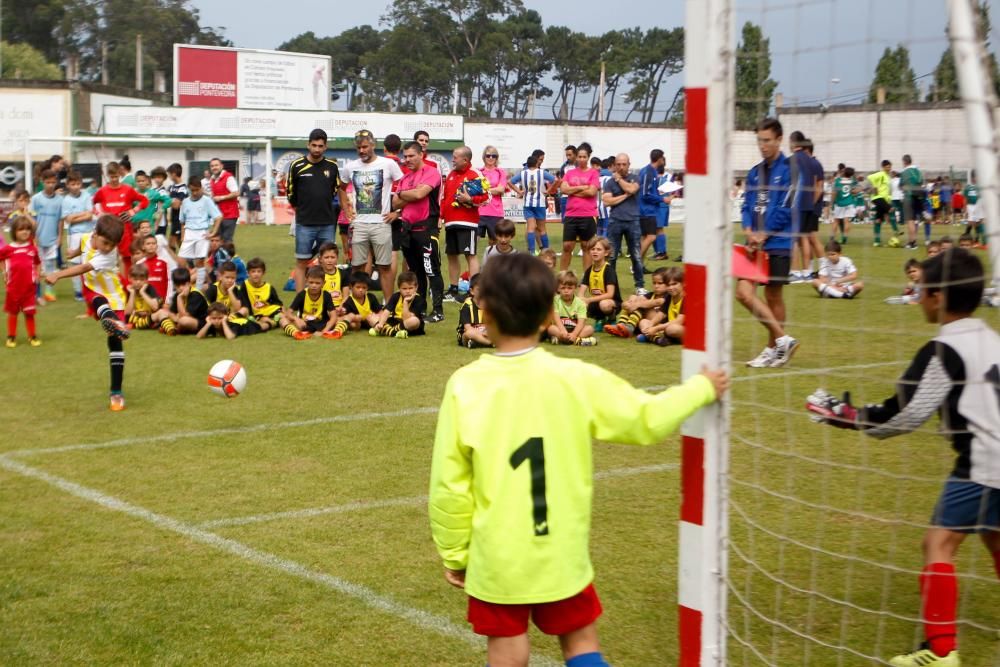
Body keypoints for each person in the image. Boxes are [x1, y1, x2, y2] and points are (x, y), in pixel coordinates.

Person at [428, 252, 729, 667]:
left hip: (497, 556)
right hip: (561, 553)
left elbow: (449, 483)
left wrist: (456, 554)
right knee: (581, 644)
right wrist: (700, 388)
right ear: (550, 313)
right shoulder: (576, 378)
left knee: (507, 651)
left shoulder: (465, 385)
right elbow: (647, 418)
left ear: (485, 310)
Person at [806, 248, 999, 667]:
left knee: (938, 544)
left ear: (938, 297)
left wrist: (847, 417)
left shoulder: (942, 349)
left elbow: (905, 415)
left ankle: (942, 652)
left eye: (922, 288)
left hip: (984, 461)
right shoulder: (990, 338)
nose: (916, 293)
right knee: (993, 532)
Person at [44, 215, 131, 410]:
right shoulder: (85, 237)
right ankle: (110, 319)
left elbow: (84, 267)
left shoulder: (108, 254)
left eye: (112, 245)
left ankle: (116, 392)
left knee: (114, 342)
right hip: (93, 290)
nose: (108, 247)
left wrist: (58, 274)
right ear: (95, 234)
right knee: (98, 302)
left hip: (113, 294)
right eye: (105, 243)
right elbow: (80, 250)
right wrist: (70, 254)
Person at [738, 117, 799, 369]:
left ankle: (774, 349)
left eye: (767, 141)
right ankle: (783, 339)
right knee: (743, 293)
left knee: (773, 294)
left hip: (779, 243)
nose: (762, 146)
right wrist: (749, 229)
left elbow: (787, 207)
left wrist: (765, 234)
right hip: (753, 244)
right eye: (759, 141)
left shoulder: (791, 170)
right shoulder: (754, 172)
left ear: (778, 140)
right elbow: (746, 205)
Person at [287, 129, 352, 292]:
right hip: (304, 223)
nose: (317, 149)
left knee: (328, 263)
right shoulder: (297, 166)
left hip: (327, 224)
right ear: (308, 145)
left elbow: (336, 191)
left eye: (320, 146)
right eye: (314, 145)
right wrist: (303, 209)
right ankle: (301, 304)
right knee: (302, 262)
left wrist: (347, 209)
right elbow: (290, 193)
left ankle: (328, 302)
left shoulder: (332, 167)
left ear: (326, 147)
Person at [343, 129, 404, 299]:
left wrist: (397, 212)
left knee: (384, 266)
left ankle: (388, 305)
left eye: (365, 147)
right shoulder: (350, 167)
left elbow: (405, 187)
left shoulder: (388, 164)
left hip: (381, 223)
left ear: (373, 145)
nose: (361, 150)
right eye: (358, 148)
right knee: (357, 266)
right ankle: (355, 305)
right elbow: (341, 188)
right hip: (359, 224)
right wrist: (346, 208)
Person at [391, 141, 442, 306]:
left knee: (431, 271)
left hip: (426, 230)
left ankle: (437, 310)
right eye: (405, 156)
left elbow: (420, 194)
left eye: (411, 155)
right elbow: (395, 203)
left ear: (421, 154)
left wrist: (402, 193)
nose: (408, 159)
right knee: (416, 272)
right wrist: (407, 194)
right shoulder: (405, 177)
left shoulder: (431, 172)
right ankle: (420, 307)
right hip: (407, 231)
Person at [442, 145, 490, 301]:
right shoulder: (450, 175)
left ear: (465, 159)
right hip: (450, 222)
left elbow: (487, 197)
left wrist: (470, 200)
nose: (453, 160)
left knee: (470, 255)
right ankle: (453, 289)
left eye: (455, 157)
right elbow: (445, 198)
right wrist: (441, 217)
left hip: (467, 222)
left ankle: (473, 290)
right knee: (451, 255)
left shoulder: (475, 174)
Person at [92, 161, 148, 279]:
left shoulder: (127, 190)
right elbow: (92, 203)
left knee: (126, 259)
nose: (114, 179)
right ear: (107, 175)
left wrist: (133, 211)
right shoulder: (102, 191)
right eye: (111, 177)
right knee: (106, 258)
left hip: (125, 231)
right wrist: (100, 213)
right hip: (108, 232)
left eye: (116, 176)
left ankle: (126, 285)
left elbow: (144, 201)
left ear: (120, 174)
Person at [602, 153, 645, 296]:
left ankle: (639, 285)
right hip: (615, 220)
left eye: (623, 164)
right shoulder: (609, 182)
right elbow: (607, 201)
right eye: (618, 164)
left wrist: (619, 180)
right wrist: (625, 196)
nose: (621, 167)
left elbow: (632, 189)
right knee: (612, 256)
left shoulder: (636, 177)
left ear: (629, 164)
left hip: (633, 220)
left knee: (636, 255)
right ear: (615, 165)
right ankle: (611, 286)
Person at [1, 217, 42, 347]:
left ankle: (32, 336)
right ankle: (11, 337)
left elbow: (37, 262)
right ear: (14, 231)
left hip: (29, 288)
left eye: (27, 229)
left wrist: (37, 274)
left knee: (29, 313)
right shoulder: (8, 249)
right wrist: (4, 272)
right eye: (21, 229)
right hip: (13, 287)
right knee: (13, 312)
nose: (25, 232)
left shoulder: (32, 249)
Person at [559, 143, 600, 272]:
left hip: (588, 214)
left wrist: (572, 191)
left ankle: (586, 279)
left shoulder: (593, 173)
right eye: (580, 157)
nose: (582, 159)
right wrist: (582, 187)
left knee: (586, 246)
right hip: (571, 214)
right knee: (567, 246)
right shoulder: (570, 173)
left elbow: (592, 192)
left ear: (588, 157)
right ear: (576, 157)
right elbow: (563, 189)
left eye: (584, 157)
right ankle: (563, 275)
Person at [179, 176, 222, 289]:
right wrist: (183, 235)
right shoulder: (185, 202)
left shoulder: (207, 201)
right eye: (192, 190)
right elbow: (182, 221)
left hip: (202, 233)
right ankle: (182, 285)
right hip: (189, 233)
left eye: (197, 190)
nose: (194, 192)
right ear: (189, 189)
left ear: (201, 188)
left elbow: (218, 217)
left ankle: (198, 289)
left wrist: (213, 232)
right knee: (181, 261)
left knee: (199, 262)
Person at [604, 266, 669, 338]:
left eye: (660, 283)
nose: (656, 286)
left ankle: (629, 328)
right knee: (634, 298)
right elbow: (637, 299)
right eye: (654, 283)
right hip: (644, 322)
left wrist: (637, 304)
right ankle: (621, 325)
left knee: (642, 305)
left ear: (668, 284)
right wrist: (627, 304)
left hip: (659, 324)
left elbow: (659, 302)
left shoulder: (668, 296)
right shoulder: (651, 294)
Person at [510, 153, 555, 256]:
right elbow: (556, 180)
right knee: (542, 228)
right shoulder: (542, 172)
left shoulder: (523, 173)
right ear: (536, 163)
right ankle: (546, 251)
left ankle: (531, 252)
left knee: (530, 228)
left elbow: (510, 182)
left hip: (528, 204)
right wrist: (549, 190)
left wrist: (519, 191)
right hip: (540, 204)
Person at [60, 171, 95, 302]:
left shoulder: (86, 196)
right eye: (72, 184)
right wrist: (82, 214)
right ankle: (78, 291)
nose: (75, 186)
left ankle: (89, 289)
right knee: (75, 263)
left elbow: (90, 215)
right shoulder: (66, 200)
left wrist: (76, 216)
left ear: (81, 184)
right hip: (74, 234)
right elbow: (68, 220)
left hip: (88, 233)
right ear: (68, 185)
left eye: (78, 184)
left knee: (87, 262)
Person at [30, 169, 64, 302]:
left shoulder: (60, 200)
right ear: (42, 182)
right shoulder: (36, 199)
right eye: (48, 182)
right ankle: (36, 293)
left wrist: (60, 237)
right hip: (38, 239)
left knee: (50, 266)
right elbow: (32, 219)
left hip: (52, 239)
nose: (50, 185)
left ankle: (49, 292)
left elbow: (61, 220)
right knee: (37, 267)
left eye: (53, 182)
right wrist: (34, 237)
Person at [281, 265, 339, 339]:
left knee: (339, 320)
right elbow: (288, 312)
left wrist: (324, 331)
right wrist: (296, 319)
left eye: (317, 283)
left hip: (322, 324)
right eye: (311, 282)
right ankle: (296, 334)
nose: (314, 285)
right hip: (305, 324)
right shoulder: (302, 295)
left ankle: (333, 333)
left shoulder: (326, 295)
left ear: (323, 283)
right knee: (283, 320)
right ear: (306, 281)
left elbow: (333, 316)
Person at [636, 266, 686, 346]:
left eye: (674, 284)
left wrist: (656, 328)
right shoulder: (669, 296)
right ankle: (658, 339)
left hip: (685, 330)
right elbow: (661, 314)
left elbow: (679, 321)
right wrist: (650, 325)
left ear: (683, 283)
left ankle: (652, 336)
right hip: (667, 328)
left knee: (672, 329)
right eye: (668, 285)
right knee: (644, 322)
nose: (671, 288)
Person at [370, 271, 426, 339]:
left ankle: (387, 331)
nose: (408, 291)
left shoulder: (419, 300)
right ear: (399, 288)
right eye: (404, 289)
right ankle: (395, 332)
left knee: (414, 321)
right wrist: (381, 324)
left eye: (411, 288)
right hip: (395, 321)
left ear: (416, 287)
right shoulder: (396, 296)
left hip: (407, 324)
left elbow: (406, 318)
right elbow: (386, 311)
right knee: (372, 317)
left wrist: (405, 302)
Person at [547, 270, 596, 346]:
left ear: (575, 288)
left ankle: (564, 340)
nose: (566, 291)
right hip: (560, 329)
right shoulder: (555, 300)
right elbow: (556, 318)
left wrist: (574, 334)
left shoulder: (580, 303)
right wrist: (563, 331)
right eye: (563, 288)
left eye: (569, 288)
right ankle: (579, 341)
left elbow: (581, 322)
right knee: (551, 328)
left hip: (575, 329)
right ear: (558, 288)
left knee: (590, 329)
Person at [578, 237, 620, 327]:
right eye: (593, 249)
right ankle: (599, 319)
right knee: (579, 302)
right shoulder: (589, 270)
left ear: (606, 253)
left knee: (604, 304)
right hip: (596, 301)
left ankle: (611, 318)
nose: (595, 252)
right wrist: (581, 300)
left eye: (598, 249)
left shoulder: (609, 270)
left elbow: (610, 294)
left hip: (611, 302)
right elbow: (581, 291)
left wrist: (588, 300)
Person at [156, 267, 208, 336]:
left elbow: (184, 316)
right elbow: (172, 313)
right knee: (162, 312)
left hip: (201, 323)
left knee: (183, 320)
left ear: (189, 283)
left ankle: (172, 328)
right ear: (174, 285)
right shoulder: (177, 295)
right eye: (178, 285)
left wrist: (179, 298)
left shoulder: (195, 295)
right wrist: (173, 316)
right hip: (182, 320)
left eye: (183, 285)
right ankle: (171, 328)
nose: (181, 288)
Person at [638, 149, 667, 271]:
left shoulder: (648, 171)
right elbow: (645, 193)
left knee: (645, 238)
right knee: (651, 237)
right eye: (663, 158)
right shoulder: (649, 171)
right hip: (646, 210)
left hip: (646, 209)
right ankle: (636, 263)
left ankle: (640, 265)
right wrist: (662, 199)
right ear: (659, 159)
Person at [331, 271, 382, 336]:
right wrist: (354, 317)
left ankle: (384, 328)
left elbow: (380, 312)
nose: (361, 290)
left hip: (372, 320)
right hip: (359, 323)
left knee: (372, 317)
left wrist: (379, 318)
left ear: (367, 288)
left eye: (364, 288)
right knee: (355, 324)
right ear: (351, 287)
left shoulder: (371, 297)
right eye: (358, 287)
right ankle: (337, 331)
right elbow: (345, 316)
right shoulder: (349, 301)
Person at [867, 160, 901, 247]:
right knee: (891, 210)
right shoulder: (881, 174)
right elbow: (869, 177)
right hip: (878, 198)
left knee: (878, 220)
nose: (889, 168)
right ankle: (896, 231)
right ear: (883, 167)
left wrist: (888, 199)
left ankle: (877, 241)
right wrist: (874, 187)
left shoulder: (888, 177)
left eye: (890, 167)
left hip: (884, 200)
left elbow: (886, 190)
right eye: (887, 167)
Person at [207, 158, 240, 242]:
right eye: (212, 166)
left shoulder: (228, 177)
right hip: (218, 215)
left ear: (221, 166)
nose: (214, 167)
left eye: (216, 165)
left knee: (226, 240)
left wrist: (221, 198)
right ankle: (219, 255)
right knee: (217, 239)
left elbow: (236, 193)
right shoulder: (212, 179)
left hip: (229, 214)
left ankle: (230, 255)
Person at [124, 263, 162, 330]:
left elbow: (155, 307)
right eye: (135, 279)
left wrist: (142, 292)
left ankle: (139, 324)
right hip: (137, 317)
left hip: (149, 317)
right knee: (128, 316)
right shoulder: (129, 290)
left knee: (161, 313)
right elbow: (127, 313)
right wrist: (132, 293)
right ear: (129, 278)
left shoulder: (150, 288)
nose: (138, 282)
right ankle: (143, 324)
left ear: (147, 279)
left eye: (142, 280)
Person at [457, 273, 490, 348]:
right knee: (469, 333)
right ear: (472, 291)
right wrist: (482, 333)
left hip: (486, 332)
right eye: (479, 289)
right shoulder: (467, 306)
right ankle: (490, 343)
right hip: (469, 334)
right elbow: (467, 328)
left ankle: (477, 343)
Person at [900, 154, 926, 249]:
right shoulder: (918, 171)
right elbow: (921, 182)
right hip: (918, 197)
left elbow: (901, 185)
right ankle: (913, 241)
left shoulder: (905, 172)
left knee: (910, 221)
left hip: (909, 197)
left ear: (904, 162)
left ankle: (912, 243)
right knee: (915, 221)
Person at [197, 302, 262, 339]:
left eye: (220, 318)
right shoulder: (211, 324)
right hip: (240, 321)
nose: (216, 321)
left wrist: (224, 322)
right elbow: (199, 336)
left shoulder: (231, 325)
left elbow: (230, 337)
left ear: (226, 317)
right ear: (209, 317)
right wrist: (208, 323)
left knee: (263, 326)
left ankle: (271, 322)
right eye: (214, 318)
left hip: (247, 325)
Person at [316, 242, 350, 312]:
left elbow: (346, 296)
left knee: (354, 320)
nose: (329, 260)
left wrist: (341, 307)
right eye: (326, 257)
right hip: (323, 308)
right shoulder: (317, 274)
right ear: (320, 259)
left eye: (332, 257)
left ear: (337, 258)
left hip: (340, 307)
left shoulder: (343, 274)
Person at [165, 163, 188, 253]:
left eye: (169, 174)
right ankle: (185, 262)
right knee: (177, 243)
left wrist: (168, 201)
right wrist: (171, 201)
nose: (169, 177)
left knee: (173, 243)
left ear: (174, 173)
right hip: (174, 218)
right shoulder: (171, 187)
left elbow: (176, 205)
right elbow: (170, 202)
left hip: (180, 219)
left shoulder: (183, 188)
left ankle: (186, 262)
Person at [831, 167, 856, 246]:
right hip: (849, 203)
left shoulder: (838, 181)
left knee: (836, 221)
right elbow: (854, 191)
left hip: (840, 203)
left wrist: (832, 203)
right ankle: (844, 237)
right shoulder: (852, 181)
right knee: (846, 221)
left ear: (844, 172)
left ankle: (832, 237)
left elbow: (835, 192)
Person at [963, 172, 983, 246]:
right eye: (975, 177)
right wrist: (965, 209)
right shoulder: (968, 187)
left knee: (978, 223)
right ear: (972, 178)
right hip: (970, 206)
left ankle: (976, 240)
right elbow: (965, 199)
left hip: (978, 206)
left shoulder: (980, 187)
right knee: (971, 222)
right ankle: (966, 236)